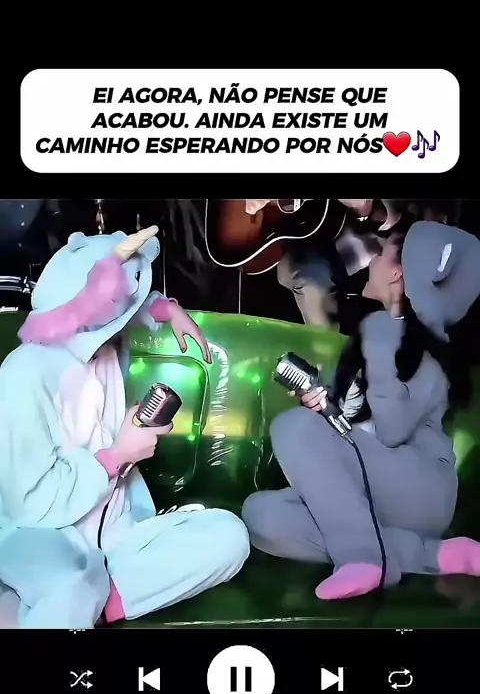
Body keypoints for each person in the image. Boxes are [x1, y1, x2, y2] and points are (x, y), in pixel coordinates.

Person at [0, 226, 250, 628]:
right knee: (72, 585)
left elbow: (132, 302)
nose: (126, 321)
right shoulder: (23, 375)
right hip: (43, 536)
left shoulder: (107, 345)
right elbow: (30, 504)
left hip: (119, 534)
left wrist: (167, 310)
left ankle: (96, 603)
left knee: (229, 536)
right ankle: (76, 597)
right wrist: (116, 457)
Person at [242, 221, 480, 600]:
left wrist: (382, 340)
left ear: (399, 273)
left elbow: (392, 430)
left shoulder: (428, 351)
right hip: (372, 490)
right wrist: (323, 405)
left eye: (382, 252)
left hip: (421, 490)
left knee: (292, 428)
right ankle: (433, 555)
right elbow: (351, 433)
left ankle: (362, 557)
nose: (372, 258)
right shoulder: (372, 335)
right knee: (261, 516)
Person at [245, 198, 412, 331]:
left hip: (266, 250)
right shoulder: (398, 226)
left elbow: (299, 271)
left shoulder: (351, 312)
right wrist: (370, 210)